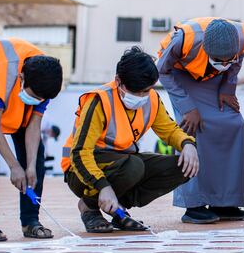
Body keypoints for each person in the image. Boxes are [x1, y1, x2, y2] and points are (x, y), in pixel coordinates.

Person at [61, 47, 199, 232]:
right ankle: (89, 206)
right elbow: (79, 153)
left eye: (146, 90)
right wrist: (102, 186)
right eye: (135, 91)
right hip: (81, 171)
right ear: (118, 81)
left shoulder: (152, 99)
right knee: (134, 166)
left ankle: (118, 209)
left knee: (184, 166)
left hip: (123, 163)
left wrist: (187, 144)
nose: (141, 97)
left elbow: (169, 130)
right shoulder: (99, 101)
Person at [0, 38, 63, 241]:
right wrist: (14, 166)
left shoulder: (46, 80)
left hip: (18, 110)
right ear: (22, 77)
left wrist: (31, 166)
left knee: (35, 161)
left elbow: (34, 125)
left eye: (41, 99)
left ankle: (30, 221)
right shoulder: (0, 71)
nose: (37, 101)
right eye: (34, 95)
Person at [158, 17, 244, 224]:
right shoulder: (183, 40)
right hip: (180, 74)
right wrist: (187, 107)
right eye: (219, 60)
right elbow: (162, 70)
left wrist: (228, 88)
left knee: (233, 124)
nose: (224, 64)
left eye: (228, 59)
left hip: (216, 78)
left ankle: (224, 201)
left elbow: (234, 65)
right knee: (194, 127)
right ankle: (193, 205)